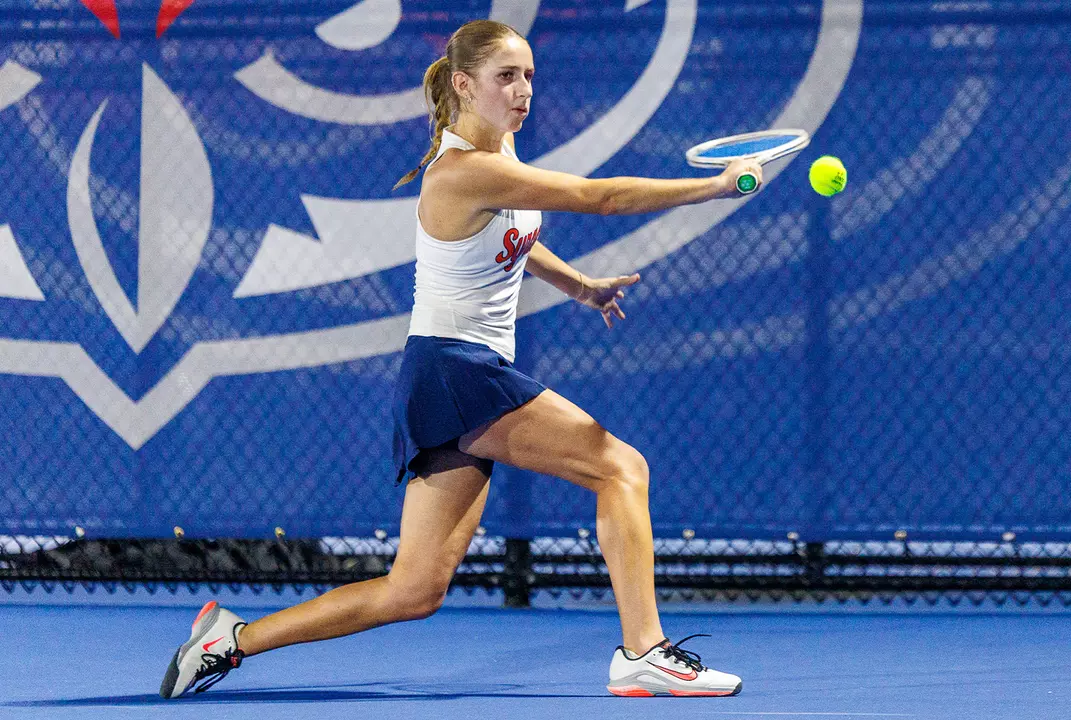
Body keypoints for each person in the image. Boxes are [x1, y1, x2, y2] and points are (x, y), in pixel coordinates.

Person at [160, 18, 761, 699]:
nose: (524, 88)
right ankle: (643, 650)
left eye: (530, 74)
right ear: (464, 85)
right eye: (507, 76)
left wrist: (580, 287)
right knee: (620, 467)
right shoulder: (464, 171)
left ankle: (229, 640)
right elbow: (603, 198)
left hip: (448, 375)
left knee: (414, 590)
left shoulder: (494, 161)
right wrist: (716, 188)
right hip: (457, 370)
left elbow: (513, 240)